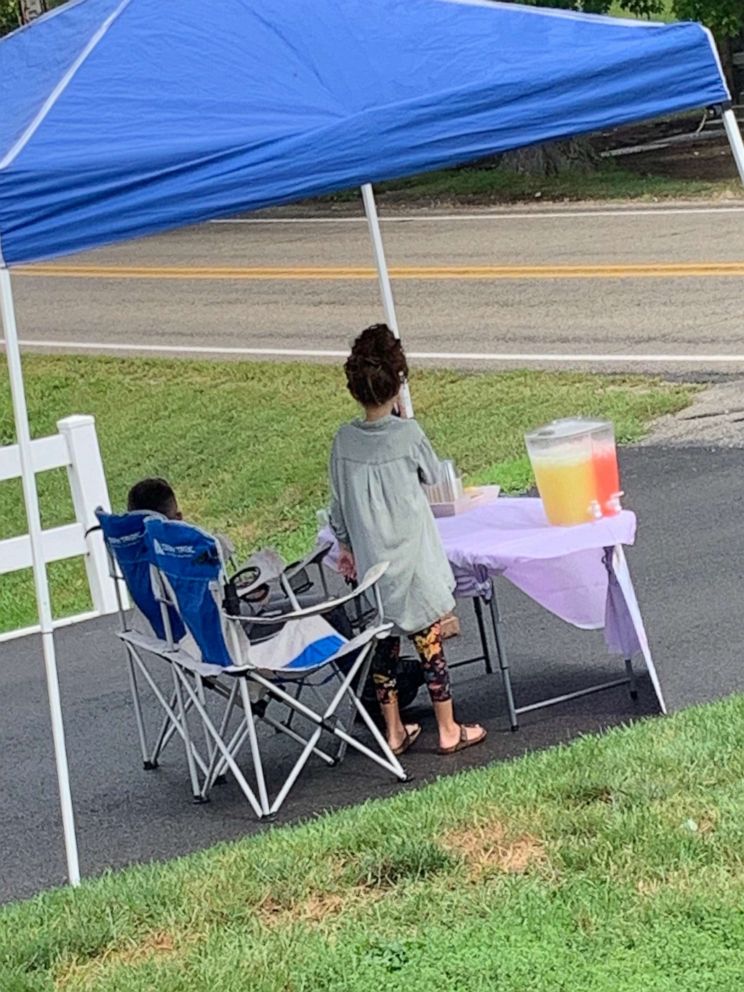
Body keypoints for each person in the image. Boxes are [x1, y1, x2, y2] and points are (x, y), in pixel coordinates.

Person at [329, 323, 487, 756]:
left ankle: (394, 729)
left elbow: (338, 505)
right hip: (414, 562)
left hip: (374, 565)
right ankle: (448, 727)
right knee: (428, 641)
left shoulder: (343, 442)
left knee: (385, 644)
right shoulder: (408, 435)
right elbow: (436, 479)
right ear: (397, 382)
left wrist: (345, 544)